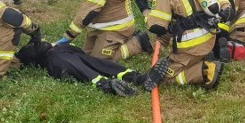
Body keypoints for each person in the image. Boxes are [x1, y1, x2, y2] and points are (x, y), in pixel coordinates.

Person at [133, 0, 225, 89]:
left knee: (165, 78)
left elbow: (157, 27)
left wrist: (145, 10)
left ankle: (206, 69)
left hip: (192, 46)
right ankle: (201, 58)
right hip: (207, 37)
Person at [15, 38, 170, 96]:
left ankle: (138, 78)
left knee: (96, 62)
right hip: (56, 56)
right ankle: (107, 84)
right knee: (80, 66)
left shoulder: (55, 48)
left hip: (63, 52)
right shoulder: (42, 56)